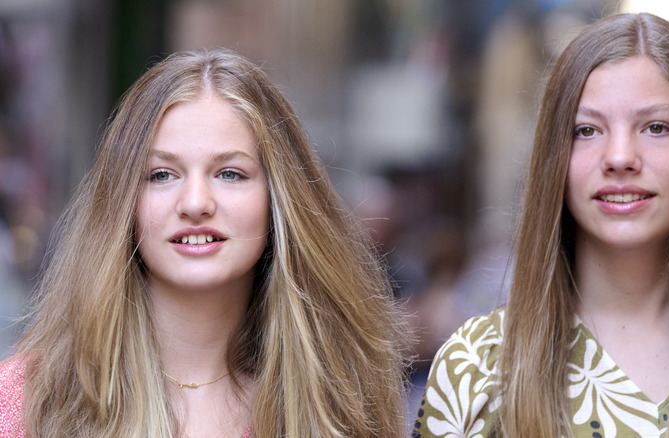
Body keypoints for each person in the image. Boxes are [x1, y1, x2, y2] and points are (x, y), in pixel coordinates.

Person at [0, 49, 409, 437]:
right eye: (162, 174)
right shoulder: (26, 403)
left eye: (230, 173)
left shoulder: (343, 401)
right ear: (121, 202)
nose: (195, 203)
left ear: (279, 199)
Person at [413, 12, 669, 438]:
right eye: (586, 131)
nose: (620, 156)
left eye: (656, 127)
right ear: (554, 160)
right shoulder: (476, 367)